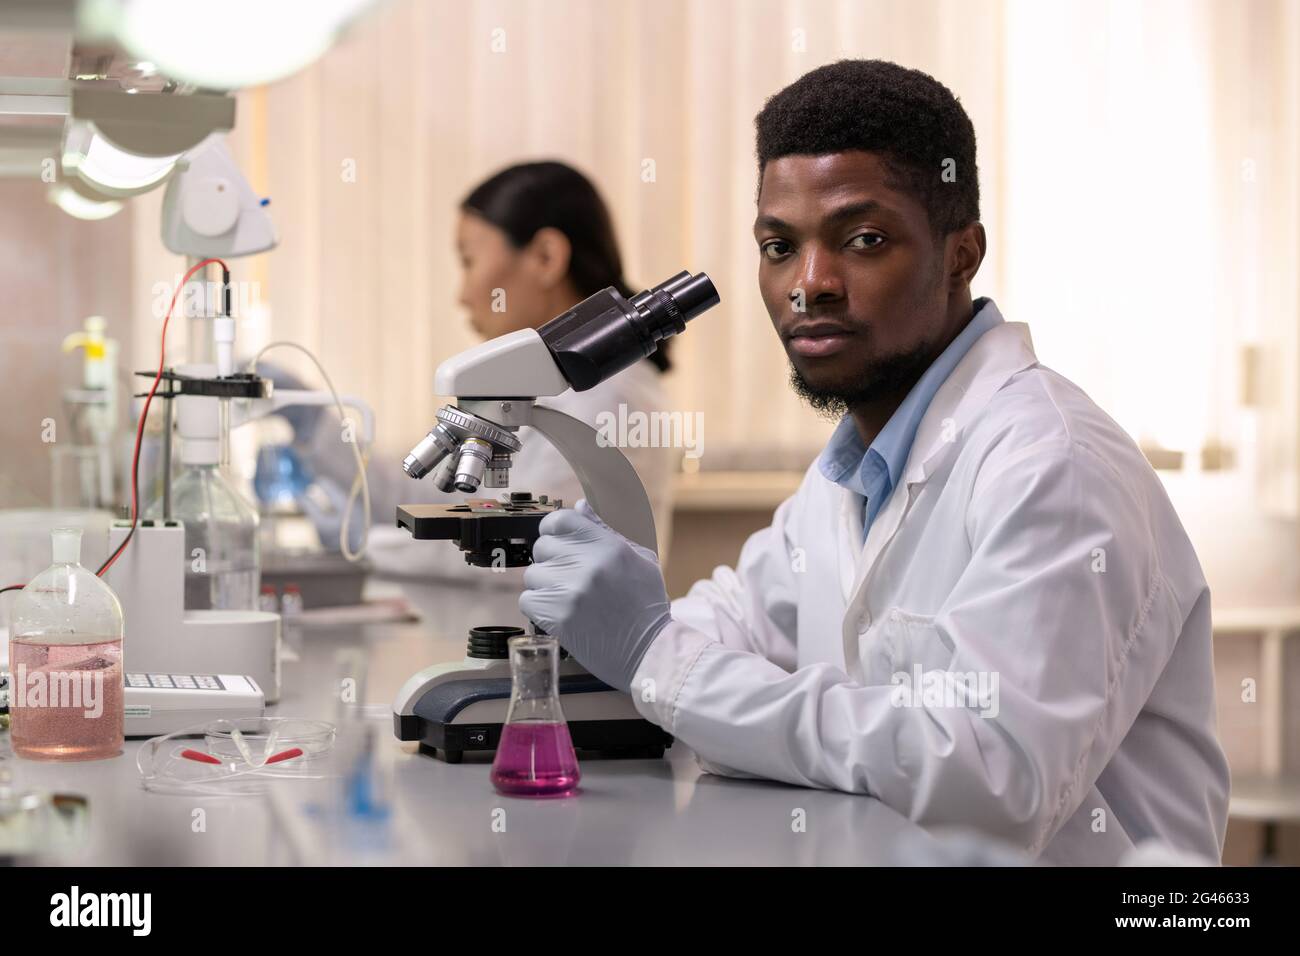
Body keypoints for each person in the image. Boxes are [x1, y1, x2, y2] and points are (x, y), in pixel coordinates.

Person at [518, 60, 1230, 864]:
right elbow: (745, 621)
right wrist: (618, 628)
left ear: (962, 253)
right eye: (778, 246)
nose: (809, 285)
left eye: (863, 240)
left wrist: (656, 654)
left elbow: (994, 779)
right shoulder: (856, 470)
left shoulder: (1052, 465)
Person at [303, 161, 677, 579]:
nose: (462, 295)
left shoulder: (613, 393)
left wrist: (368, 544)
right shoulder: (540, 383)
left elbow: (528, 544)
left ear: (545, 257)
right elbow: (444, 500)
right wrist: (318, 429)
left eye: (468, 262)